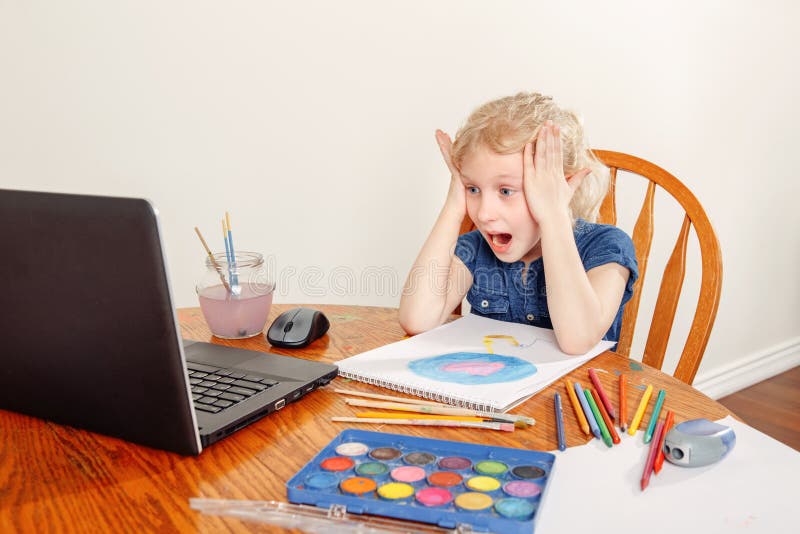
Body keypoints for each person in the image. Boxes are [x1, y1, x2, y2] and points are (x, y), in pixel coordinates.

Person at [398, 92, 638, 354]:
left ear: (560, 187)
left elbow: (577, 340)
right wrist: (454, 206)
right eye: (473, 189)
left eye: (505, 191)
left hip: (573, 394)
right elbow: (417, 321)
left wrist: (554, 214)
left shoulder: (607, 247)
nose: (485, 213)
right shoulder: (475, 250)